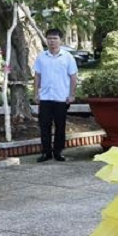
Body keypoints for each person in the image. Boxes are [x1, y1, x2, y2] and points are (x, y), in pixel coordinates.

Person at [34, 28, 78, 162]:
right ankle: (46, 152)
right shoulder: (41, 56)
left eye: (55, 38)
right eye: (50, 38)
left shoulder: (67, 57)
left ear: (60, 40)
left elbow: (73, 77)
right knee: (44, 126)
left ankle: (58, 152)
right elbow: (37, 75)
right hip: (45, 97)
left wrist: (71, 95)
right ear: (46, 40)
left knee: (60, 126)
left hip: (61, 97)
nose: (52, 41)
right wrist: (36, 93)